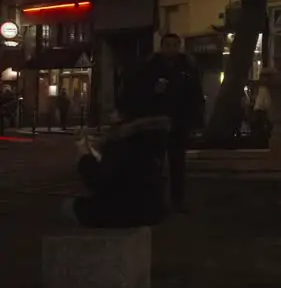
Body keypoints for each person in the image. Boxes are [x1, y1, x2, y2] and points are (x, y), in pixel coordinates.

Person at [69, 75, 169, 228]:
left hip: (125, 211)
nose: (110, 115)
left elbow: (99, 181)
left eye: (114, 110)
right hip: (151, 209)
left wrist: (84, 155)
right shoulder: (152, 134)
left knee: (68, 207)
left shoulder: (122, 139)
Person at [137, 33, 204, 212]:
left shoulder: (187, 66)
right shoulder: (152, 66)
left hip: (179, 121)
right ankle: (154, 199)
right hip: (157, 120)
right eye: (168, 45)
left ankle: (177, 200)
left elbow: (195, 93)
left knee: (177, 162)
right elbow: (141, 91)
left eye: (175, 45)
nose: (172, 49)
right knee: (155, 162)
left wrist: (195, 119)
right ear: (162, 46)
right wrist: (154, 92)